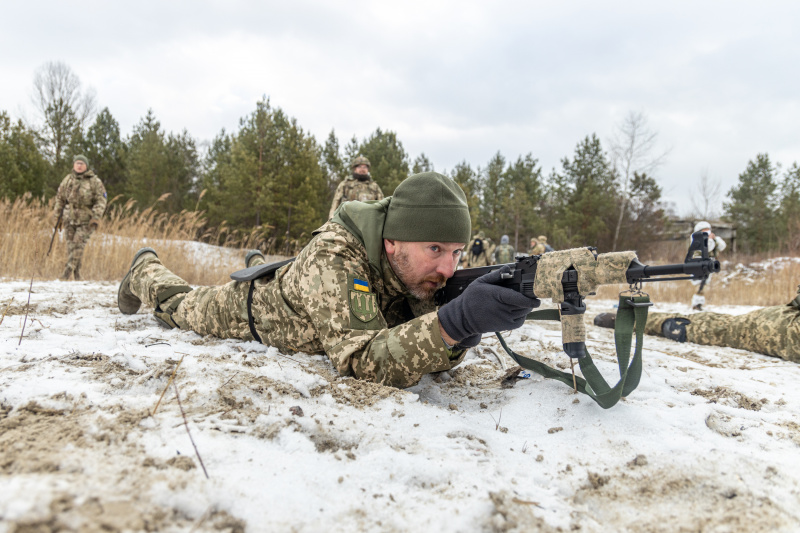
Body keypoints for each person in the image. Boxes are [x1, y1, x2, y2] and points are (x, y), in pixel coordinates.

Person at [118, 172, 538, 388]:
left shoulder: (420, 274)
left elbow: (417, 343)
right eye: (435, 250)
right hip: (248, 311)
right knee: (181, 307)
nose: (447, 268)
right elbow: (361, 361)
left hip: (305, 293)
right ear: (392, 241)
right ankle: (144, 268)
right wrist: (455, 323)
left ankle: (262, 260)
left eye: (456, 253)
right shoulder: (335, 256)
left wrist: (458, 336)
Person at [593, 286, 800, 363]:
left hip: (754, 329)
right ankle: (625, 319)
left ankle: (627, 319)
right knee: (690, 323)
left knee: (686, 325)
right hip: (767, 325)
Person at [52, 155, 107, 281]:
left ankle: (66, 273)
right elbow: (60, 198)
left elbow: (101, 200)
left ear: (86, 166)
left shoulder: (94, 181)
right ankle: (77, 276)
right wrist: (57, 217)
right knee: (71, 246)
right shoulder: (68, 180)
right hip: (69, 217)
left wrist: (96, 216)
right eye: (77, 163)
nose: (79, 165)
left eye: (82, 163)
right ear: (74, 165)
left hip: (86, 219)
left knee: (79, 245)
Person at [691, 221, 727, 310]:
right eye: (704, 231)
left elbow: (722, 246)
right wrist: (709, 240)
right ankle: (696, 304)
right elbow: (706, 248)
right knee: (699, 284)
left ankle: (699, 304)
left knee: (704, 283)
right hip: (698, 264)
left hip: (708, 264)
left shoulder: (712, 239)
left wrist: (715, 239)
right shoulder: (696, 239)